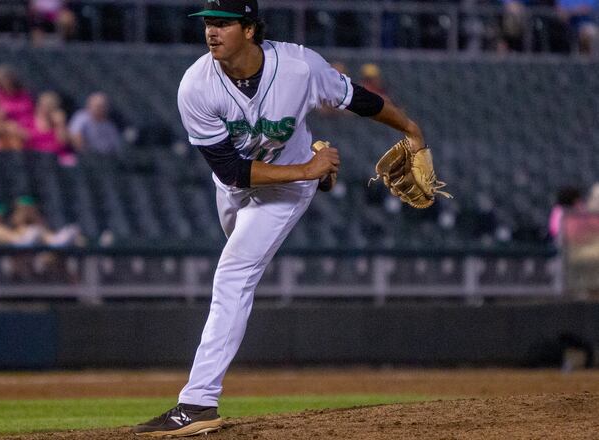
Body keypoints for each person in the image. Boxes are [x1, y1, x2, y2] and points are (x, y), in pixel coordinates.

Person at [133, 1, 434, 437]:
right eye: (207, 25)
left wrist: (411, 129)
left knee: (233, 276)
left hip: (286, 189)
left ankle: (197, 403)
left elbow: (357, 98)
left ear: (250, 29)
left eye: (223, 24)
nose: (211, 32)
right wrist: (310, 168)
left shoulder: (299, 66)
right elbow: (232, 171)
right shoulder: (195, 86)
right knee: (238, 264)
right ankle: (318, 168)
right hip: (238, 186)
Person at [28, 91, 75, 164]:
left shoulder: (59, 123)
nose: (43, 109)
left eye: (48, 106)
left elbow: (64, 143)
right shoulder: (29, 121)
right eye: (42, 105)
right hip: (37, 158)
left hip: (58, 158)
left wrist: (60, 125)